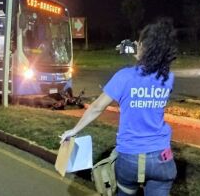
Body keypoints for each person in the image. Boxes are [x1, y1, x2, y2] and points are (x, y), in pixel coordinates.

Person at [60, 19, 178, 196]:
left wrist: (74, 130)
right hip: (162, 156)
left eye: (139, 43)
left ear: (144, 47)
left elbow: (96, 108)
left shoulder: (124, 77)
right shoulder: (168, 78)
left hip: (130, 157)